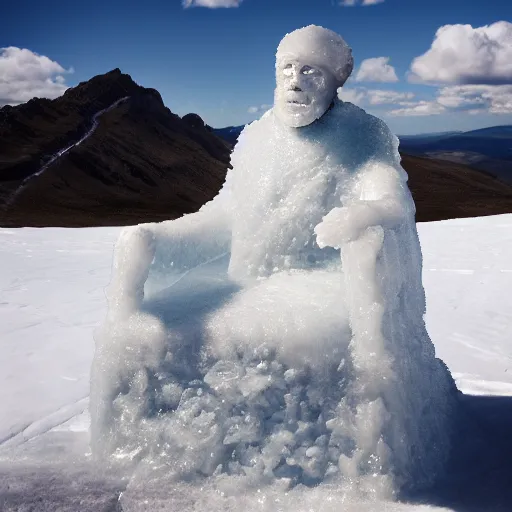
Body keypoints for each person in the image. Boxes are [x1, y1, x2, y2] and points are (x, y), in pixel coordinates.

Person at [91, 25, 455, 493]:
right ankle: (145, 453)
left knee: (304, 335)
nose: (295, 81)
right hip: (246, 280)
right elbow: (225, 214)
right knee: (157, 322)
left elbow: (391, 199)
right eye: (287, 69)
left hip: (324, 280)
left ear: (335, 80)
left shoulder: (362, 135)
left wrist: (363, 215)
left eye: (311, 72)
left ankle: (351, 477)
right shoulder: (257, 136)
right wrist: (153, 240)